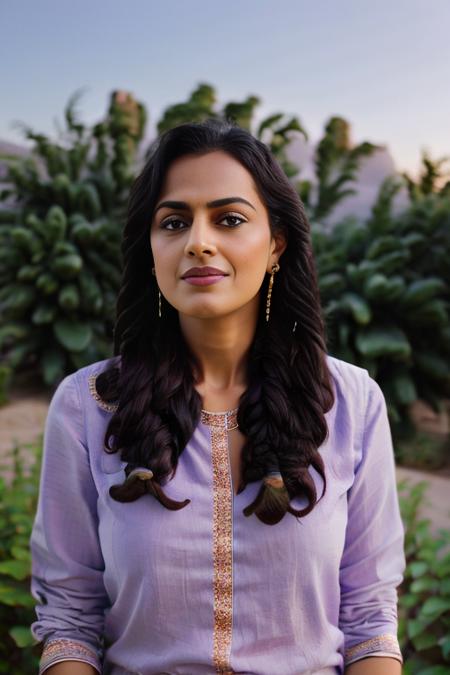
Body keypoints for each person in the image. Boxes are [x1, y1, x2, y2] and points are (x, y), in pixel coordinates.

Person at [30, 118, 406, 675]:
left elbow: (370, 621)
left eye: (229, 219)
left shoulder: (351, 402)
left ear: (276, 242)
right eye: (174, 222)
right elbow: (70, 620)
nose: (198, 241)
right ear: (152, 247)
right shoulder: (88, 405)